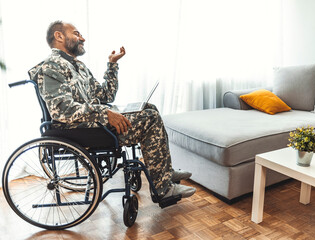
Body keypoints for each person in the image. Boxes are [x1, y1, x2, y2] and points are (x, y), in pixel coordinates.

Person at [28, 20, 196, 200]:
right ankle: (163, 189)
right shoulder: (52, 66)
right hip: (78, 129)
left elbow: (106, 95)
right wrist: (106, 114)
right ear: (59, 36)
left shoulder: (78, 66)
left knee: (149, 108)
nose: (82, 38)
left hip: (92, 121)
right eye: (77, 33)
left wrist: (112, 65)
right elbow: (62, 110)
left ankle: (165, 171)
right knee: (150, 118)